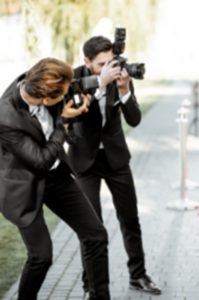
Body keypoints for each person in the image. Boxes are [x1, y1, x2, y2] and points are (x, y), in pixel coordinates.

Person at [0, 58, 111, 300]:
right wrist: (64, 121)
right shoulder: (6, 117)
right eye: (61, 95)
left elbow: (65, 131)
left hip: (57, 177)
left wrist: (77, 112)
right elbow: (40, 160)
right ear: (47, 99)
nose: (66, 93)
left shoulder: (41, 80)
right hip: (24, 185)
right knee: (41, 257)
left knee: (96, 235)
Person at [68, 36, 161, 296]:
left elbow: (135, 119)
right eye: (101, 64)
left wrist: (124, 90)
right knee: (91, 226)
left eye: (111, 61)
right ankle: (92, 282)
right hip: (85, 161)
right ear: (86, 62)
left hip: (116, 158)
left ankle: (138, 276)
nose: (109, 67)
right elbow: (78, 116)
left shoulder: (119, 73)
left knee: (130, 219)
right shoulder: (74, 79)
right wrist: (100, 85)